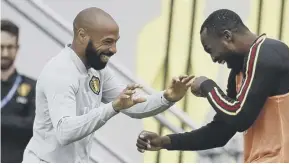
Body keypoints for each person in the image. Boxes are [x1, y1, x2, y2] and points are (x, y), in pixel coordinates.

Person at [136, 9, 289, 163]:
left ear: (227, 36)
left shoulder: (267, 52)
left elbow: (240, 117)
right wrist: (165, 141)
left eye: (210, 50)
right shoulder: (239, 72)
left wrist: (207, 86)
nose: (213, 59)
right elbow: (220, 133)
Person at [22, 7, 194, 163]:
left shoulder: (97, 70)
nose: (114, 50)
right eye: (107, 42)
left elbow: (134, 106)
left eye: (115, 42)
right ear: (82, 35)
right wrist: (113, 107)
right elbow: (65, 132)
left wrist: (167, 97)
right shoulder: (60, 72)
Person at [1, 19, 36, 163]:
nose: (5, 53)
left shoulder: (32, 87)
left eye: (10, 47)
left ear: (17, 48)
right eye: (1, 47)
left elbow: (36, 126)